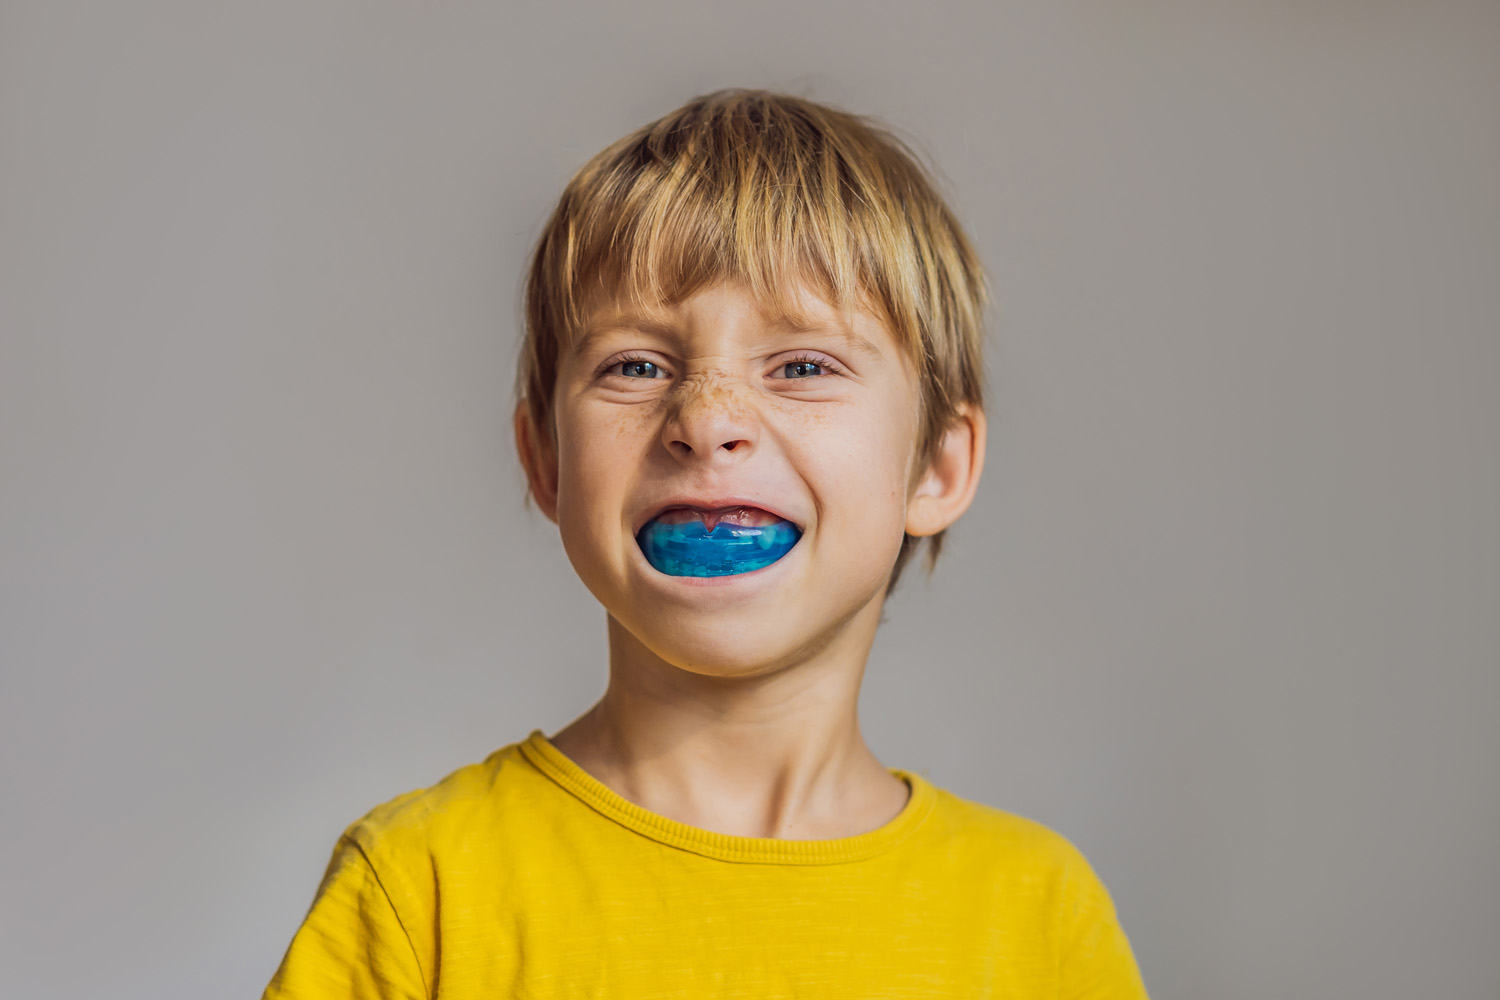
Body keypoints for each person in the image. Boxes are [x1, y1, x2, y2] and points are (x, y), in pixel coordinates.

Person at [262, 88, 1150, 999]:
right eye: (635, 366)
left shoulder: (1039, 916)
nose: (707, 421)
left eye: (803, 365)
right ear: (547, 462)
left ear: (937, 466)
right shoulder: (419, 888)